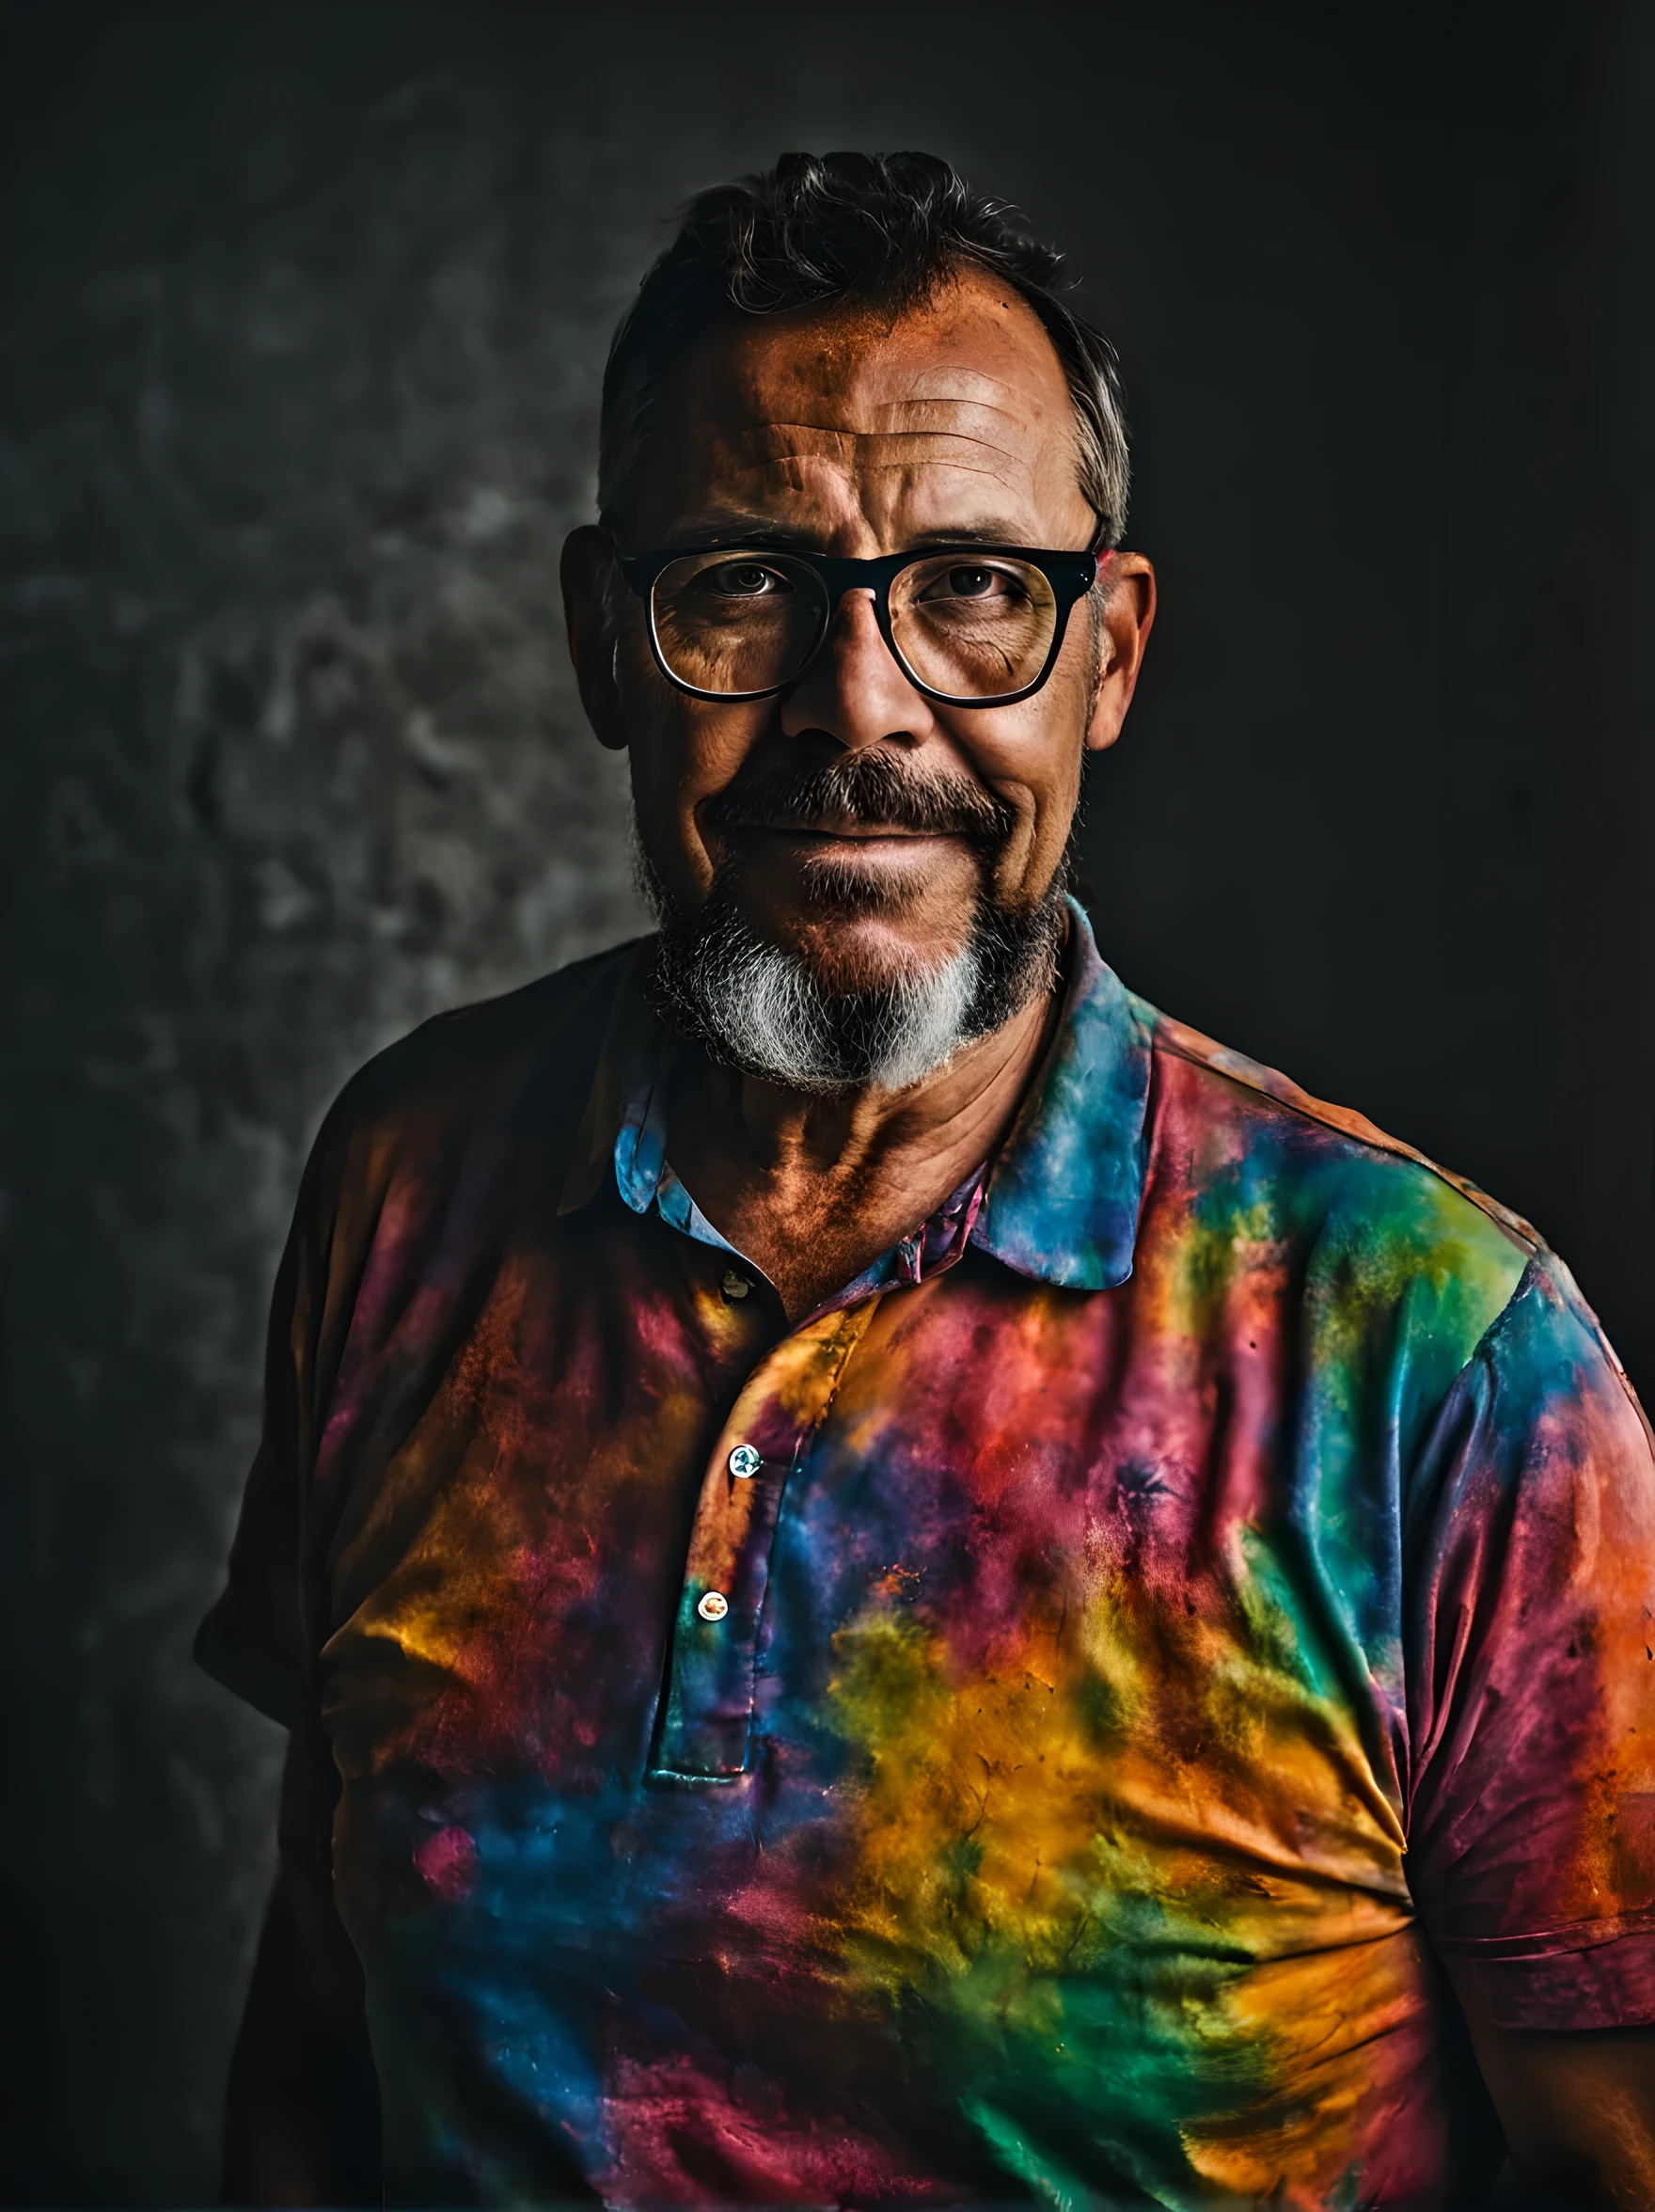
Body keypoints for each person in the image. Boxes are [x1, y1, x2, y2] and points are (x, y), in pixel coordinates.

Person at [197, 151, 1655, 2210]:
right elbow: (319, 2053)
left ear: (1110, 654)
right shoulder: (412, 1186)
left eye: (973, 587)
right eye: (743, 586)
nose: (858, 704)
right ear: (605, 643)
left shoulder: (1434, 1355)